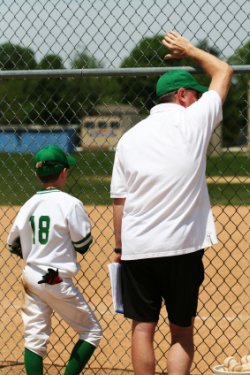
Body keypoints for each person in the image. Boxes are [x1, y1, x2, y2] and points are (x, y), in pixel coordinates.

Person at [110, 31, 233, 375]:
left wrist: (120, 247)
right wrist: (189, 50)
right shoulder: (193, 119)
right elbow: (223, 71)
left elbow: (119, 201)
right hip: (182, 248)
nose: (198, 101)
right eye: (194, 95)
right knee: (180, 330)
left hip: (138, 248)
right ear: (182, 96)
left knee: (142, 328)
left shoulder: (129, 138)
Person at [7, 145, 102, 375]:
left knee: (34, 338)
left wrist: (35, 250)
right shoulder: (70, 203)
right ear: (64, 173)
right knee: (91, 331)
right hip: (54, 277)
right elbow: (83, 244)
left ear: (36, 175)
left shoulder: (28, 204)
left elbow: (13, 243)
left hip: (31, 275)